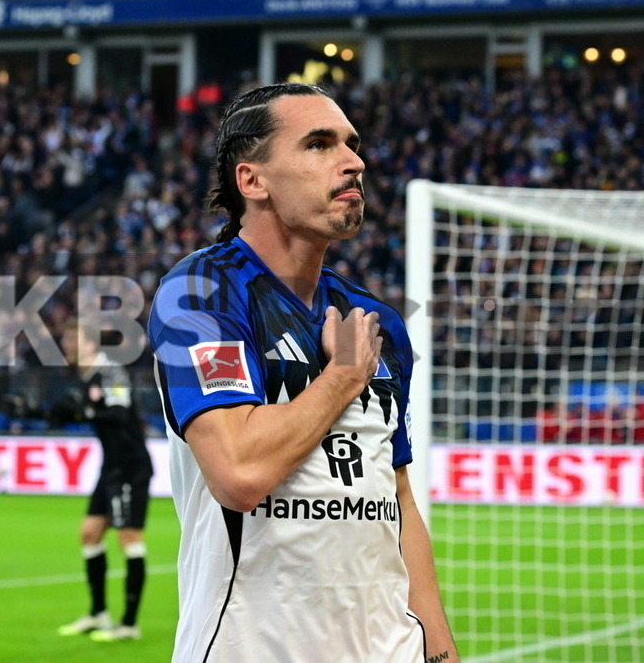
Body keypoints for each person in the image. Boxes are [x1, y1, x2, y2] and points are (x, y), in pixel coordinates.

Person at [148, 82, 459, 662]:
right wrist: (341, 376)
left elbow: (397, 499)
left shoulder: (377, 321)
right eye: (319, 144)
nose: (354, 162)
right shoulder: (202, 294)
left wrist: (437, 650)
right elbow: (239, 473)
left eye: (352, 144)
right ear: (253, 181)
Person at [53, 319, 155, 643]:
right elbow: (79, 412)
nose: (66, 345)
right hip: (110, 467)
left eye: (72, 338)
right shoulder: (84, 376)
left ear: (91, 344)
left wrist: (83, 413)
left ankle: (128, 624)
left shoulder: (110, 372)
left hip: (130, 467)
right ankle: (98, 613)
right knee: (90, 533)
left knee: (129, 539)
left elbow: (119, 413)